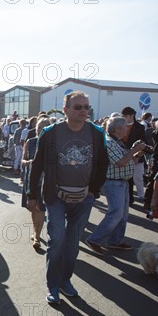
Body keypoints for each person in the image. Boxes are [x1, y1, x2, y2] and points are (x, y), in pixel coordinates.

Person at [27, 91, 109, 304]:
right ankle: (53, 285)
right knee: (57, 242)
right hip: (56, 197)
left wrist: (93, 191)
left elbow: (102, 164)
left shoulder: (97, 133)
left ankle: (65, 280)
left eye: (86, 107)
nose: (84, 111)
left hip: (84, 198)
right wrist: (32, 195)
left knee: (72, 244)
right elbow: (37, 165)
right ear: (65, 110)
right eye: (78, 107)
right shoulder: (50, 132)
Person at [85, 116, 147, 255]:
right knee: (116, 213)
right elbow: (120, 162)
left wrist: (138, 153)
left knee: (123, 214)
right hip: (113, 182)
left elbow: (130, 161)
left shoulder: (117, 142)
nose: (127, 129)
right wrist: (134, 150)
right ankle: (94, 239)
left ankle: (115, 241)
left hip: (122, 182)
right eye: (125, 127)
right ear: (117, 129)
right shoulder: (109, 142)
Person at [21, 117, 51, 249]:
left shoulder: (52, 143)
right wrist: (28, 163)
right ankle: (35, 230)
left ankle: (37, 237)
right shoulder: (30, 141)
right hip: (30, 179)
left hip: (45, 180)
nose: (40, 130)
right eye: (39, 128)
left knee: (41, 208)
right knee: (33, 208)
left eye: (43, 128)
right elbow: (23, 159)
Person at [120, 106, 146, 204]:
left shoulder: (140, 127)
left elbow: (143, 141)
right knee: (127, 179)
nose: (124, 117)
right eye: (122, 116)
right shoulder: (120, 125)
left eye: (125, 116)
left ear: (132, 115)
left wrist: (138, 154)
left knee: (138, 178)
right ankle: (129, 198)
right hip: (123, 157)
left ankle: (141, 196)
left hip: (137, 156)